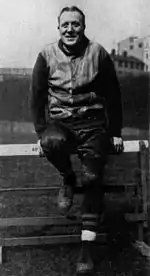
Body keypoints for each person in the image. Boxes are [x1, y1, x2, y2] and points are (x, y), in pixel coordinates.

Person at [30, 5, 123, 274]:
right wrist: (39, 133)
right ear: (58, 28)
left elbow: (114, 96)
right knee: (51, 143)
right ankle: (68, 178)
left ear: (84, 27)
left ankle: (86, 252)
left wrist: (115, 132)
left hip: (93, 125)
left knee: (93, 175)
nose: (70, 29)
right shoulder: (46, 54)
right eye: (65, 25)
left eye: (76, 24)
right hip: (61, 124)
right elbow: (36, 97)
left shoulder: (98, 53)